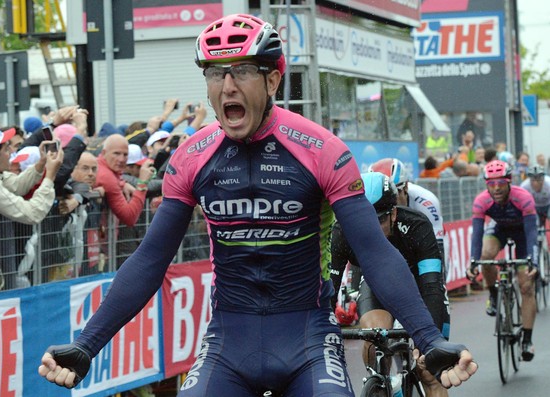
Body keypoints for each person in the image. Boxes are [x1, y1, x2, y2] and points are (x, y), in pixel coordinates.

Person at [39, 14, 477, 395]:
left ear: (272, 79)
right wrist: (86, 345)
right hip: (229, 342)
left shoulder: (321, 150)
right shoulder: (191, 157)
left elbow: (374, 251)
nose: (227, 85)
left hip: (307, 338)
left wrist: (428, 340)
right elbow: (151, 258)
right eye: (215, 73)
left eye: (243, 71)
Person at [330, 172, 450, 397]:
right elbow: (329, 290)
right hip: (378, 283)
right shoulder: (342, 231)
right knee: (373, 337)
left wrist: (429, 344)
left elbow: (433, 286)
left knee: (431, 372)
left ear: (394, 214)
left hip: (420, 286)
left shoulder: (417, 226)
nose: (371, 229)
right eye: (363, 220)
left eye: (380, 220)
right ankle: (380, 384)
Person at [0, 125, 63, 294]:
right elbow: (32, 214)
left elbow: (16, 185)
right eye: (7, 148)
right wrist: (50, 177)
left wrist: (41, 164)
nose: (12, 151)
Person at [466, 160, 538, 361]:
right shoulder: (481, 201)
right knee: (486, 256)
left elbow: (532, 232)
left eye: (500, 183)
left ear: (509, 182)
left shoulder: (523, 198)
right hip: (499, 229)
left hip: (523, 233)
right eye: (491, 184)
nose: (496, 188)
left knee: (526, 286)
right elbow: (477, 235)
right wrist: (473, 261)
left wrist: (533, 260)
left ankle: (527, 340)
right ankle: (495, 294)